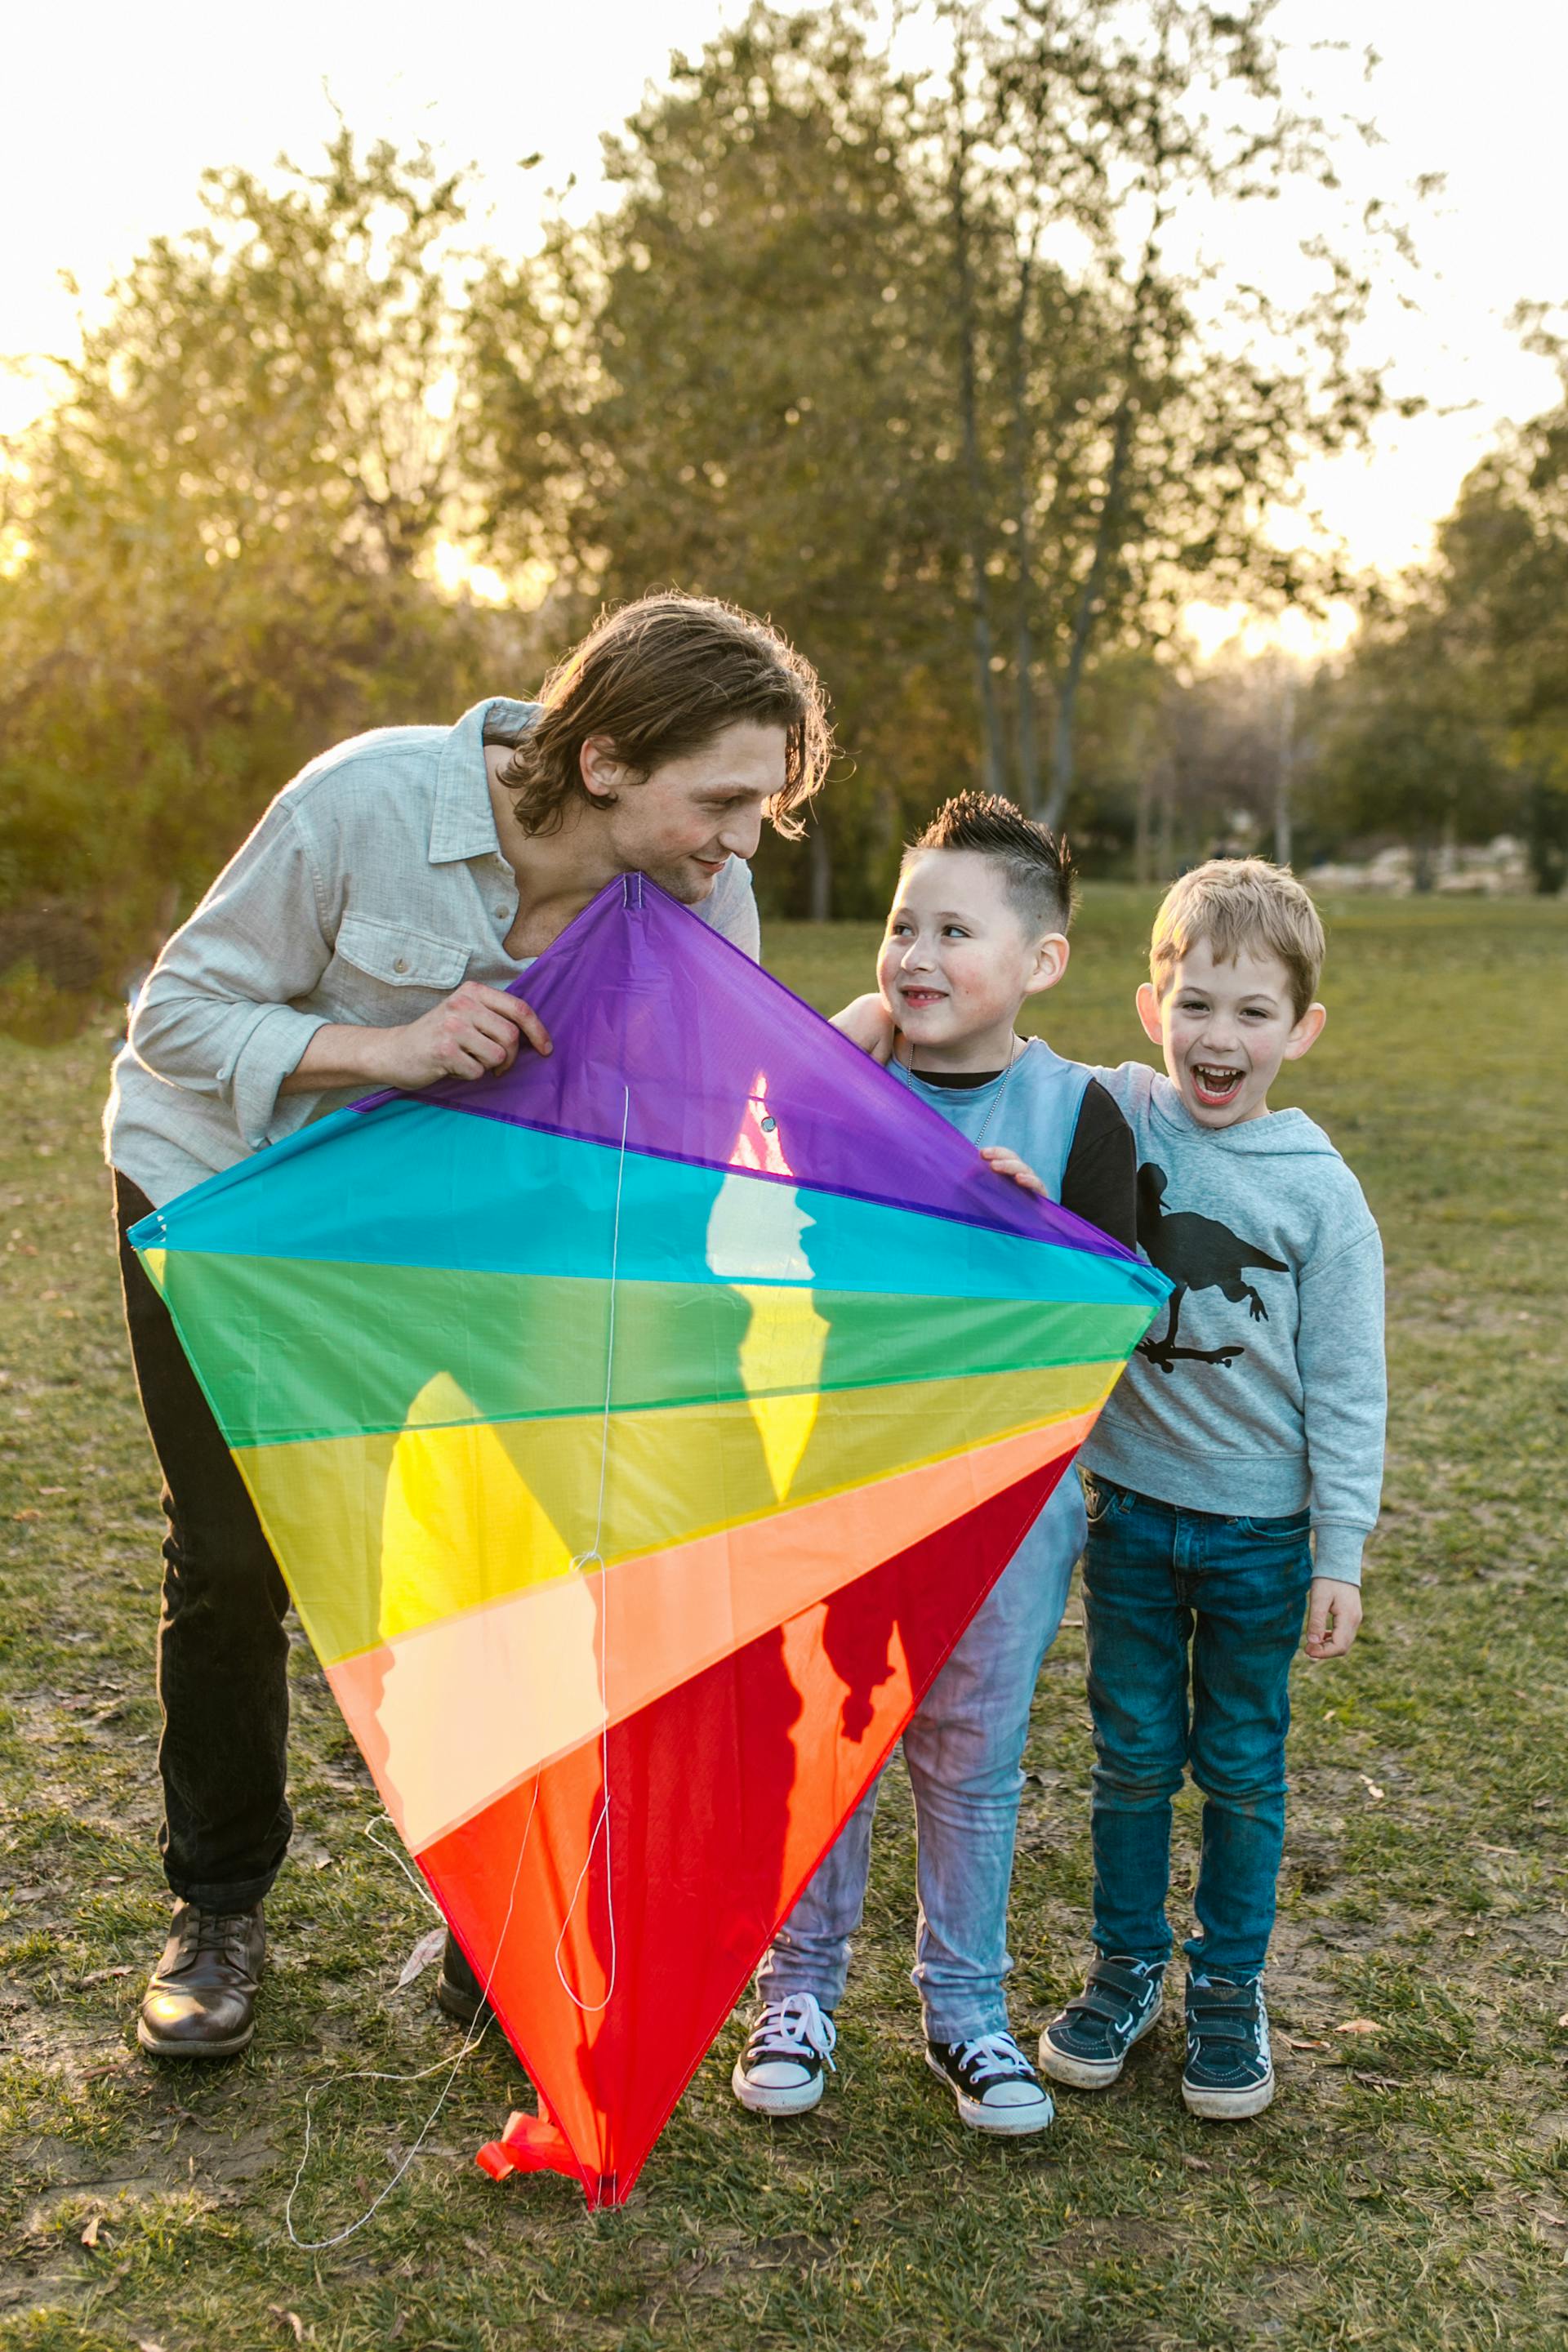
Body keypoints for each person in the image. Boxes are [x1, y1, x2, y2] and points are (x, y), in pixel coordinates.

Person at [106, 592, 832, 2059]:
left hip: (477, 1230)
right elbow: (173, 1017)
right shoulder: (366, 802)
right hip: (231, 1205)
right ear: (611, 759)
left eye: (766, 807)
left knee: (529, 1542)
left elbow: (709, 1114)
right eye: (728, 800)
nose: (744, 841)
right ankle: (220, 1908)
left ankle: (497, 1912)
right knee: (243, 1558)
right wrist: (389, 1046)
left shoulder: (699, 894)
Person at [729, 791, 1137, 2136]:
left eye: (957, 930)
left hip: (1012, 1499)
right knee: (833, 1736)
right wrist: (860, 1026)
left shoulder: (1083, 1115)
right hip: (849, 1471)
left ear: (1043, 960)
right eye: (905, 924)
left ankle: (965, 2010)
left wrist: (1045, 1237)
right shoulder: (854, 1082)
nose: (917, 952)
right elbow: (753, 1105)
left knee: (971, 1753)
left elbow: (1136, 1302)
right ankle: (800, 1988)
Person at [1038, 858, 1384, 2120]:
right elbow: (996, 1077)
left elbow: (1348, 1385)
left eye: (1251, 1013)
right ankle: (1125, 1966)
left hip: (1260, 1539)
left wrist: (1338, 1547)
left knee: (1241, 1764)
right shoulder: (1116, 1111)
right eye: (1196, 1005)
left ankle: (1227, 1986)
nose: (1218, 1038)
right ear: (1151, 1010)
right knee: (1130, 1757)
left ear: (1302, 1030)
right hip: (1127, 1514)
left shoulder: (1320, 1195)